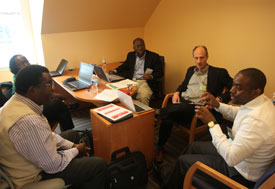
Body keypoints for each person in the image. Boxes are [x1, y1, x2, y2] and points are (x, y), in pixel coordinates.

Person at [163, 68, 275, 188]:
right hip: (238, 154)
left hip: (238, 172)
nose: (231, 90)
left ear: (255, 92)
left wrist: (212, 124)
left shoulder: (257, 121)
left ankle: (170, 181)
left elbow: (231, 158)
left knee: (183, 162)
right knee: (194, 146)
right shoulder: (262, 101)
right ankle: (172, 175)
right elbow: (239, 112)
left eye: (238, 87)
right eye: (233, 85)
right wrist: (217, 104)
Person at [0, 65, 107, 188]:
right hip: (34, 175)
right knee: (98, 165)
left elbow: (46, 134)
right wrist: (76, 150)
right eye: (49, 84)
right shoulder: (28, 121)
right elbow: (53, 165)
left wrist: (72, 146)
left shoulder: (16, 103)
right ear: (32, 89)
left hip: (28, 160)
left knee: (73, 135)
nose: (53, 88)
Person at [155, 46, 233, 162]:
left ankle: (156, 114)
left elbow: (232, 87)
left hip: (199, 107)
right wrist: (177, 92)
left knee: (176, 109)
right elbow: (183, 85)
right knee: (169, 117)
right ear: (193, 58)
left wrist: (219, 100)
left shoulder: (219, 72)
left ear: (207, 57)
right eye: (196, 58)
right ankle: (160, 147)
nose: (199, 61)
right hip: (183, 104)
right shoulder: (190, 70)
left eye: (201, 58)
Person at [9, 54, 75, 131]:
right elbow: (43, 94)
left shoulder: (21, 76)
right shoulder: (23, 81)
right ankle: (69, 131)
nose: (26, 64)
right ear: (14, 68)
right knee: (59, 105)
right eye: (22, 63)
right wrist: (63, 96)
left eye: (26, 61)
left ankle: (68, 131)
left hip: (31, 105)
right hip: (32, 109)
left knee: (58, 103)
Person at [110, 38, 163, 105]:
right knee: (122, 94)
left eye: (142, 45)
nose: (140, 48)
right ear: (134, 48)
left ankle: (144, 114)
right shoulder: (131, 55)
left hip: (144, 82)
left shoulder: (153, 56)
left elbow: (160, 72)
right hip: (132, 81)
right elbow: (124, 65)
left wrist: (150, 76)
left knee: (143, 97)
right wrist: (115, 71)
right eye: (138, 46)